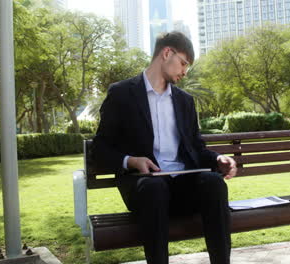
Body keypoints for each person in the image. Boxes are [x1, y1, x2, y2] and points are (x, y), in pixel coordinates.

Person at [91, 31, 237, 264]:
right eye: (183, 63)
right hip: (145, 188)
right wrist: (132, 161)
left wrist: (218, 159)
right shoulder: (121, 94)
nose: (185, 71)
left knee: (214, 183)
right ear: (166, 53)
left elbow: (196, 148)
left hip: (183, 186)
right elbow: (100, 149)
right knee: (155, 188)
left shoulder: (185, 101)